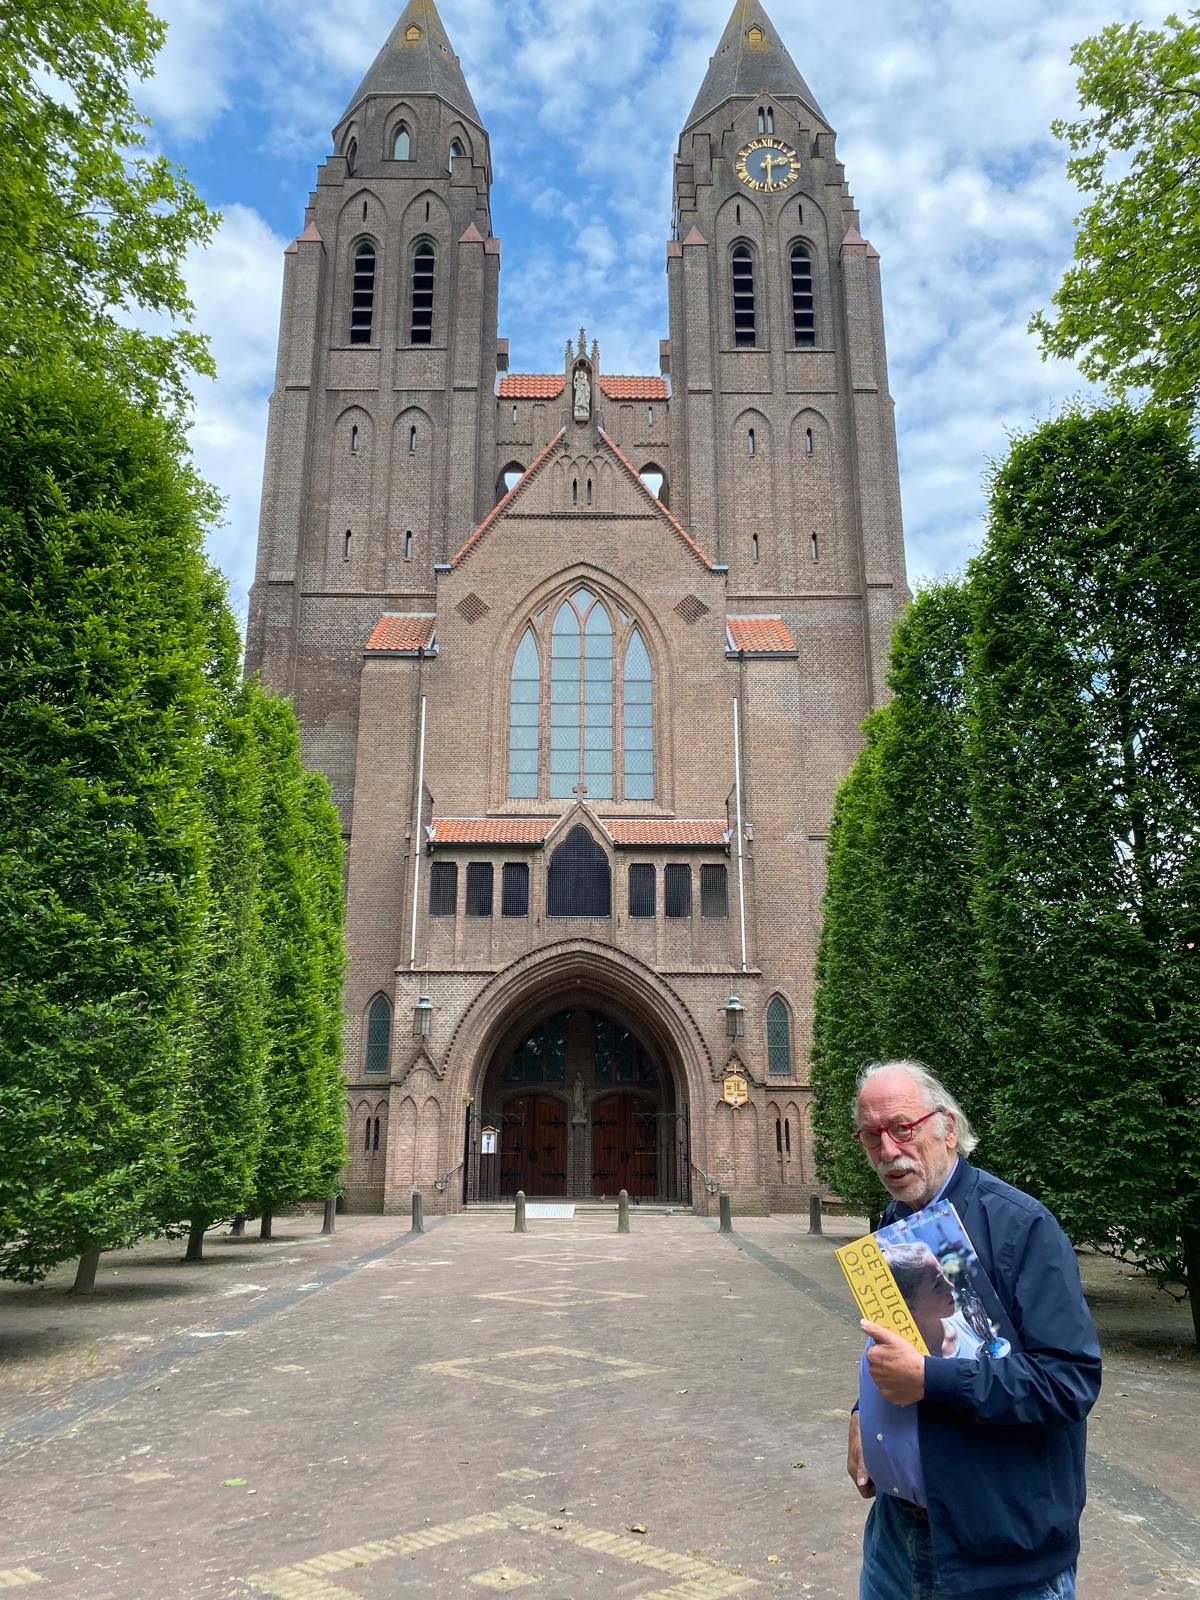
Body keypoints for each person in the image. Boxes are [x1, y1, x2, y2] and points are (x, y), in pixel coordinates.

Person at [846, 1059, 1101, 1600]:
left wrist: (930, 1381)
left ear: (949, 1128)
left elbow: (1068, 1383)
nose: (888, 1151)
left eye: (902, 1129)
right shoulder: (894, 1222)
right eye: (871, 1136)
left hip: (1001, 1557)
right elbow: (900, 1347)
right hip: (896, 1539)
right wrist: (862, 1414)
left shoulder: (1022, 1226)